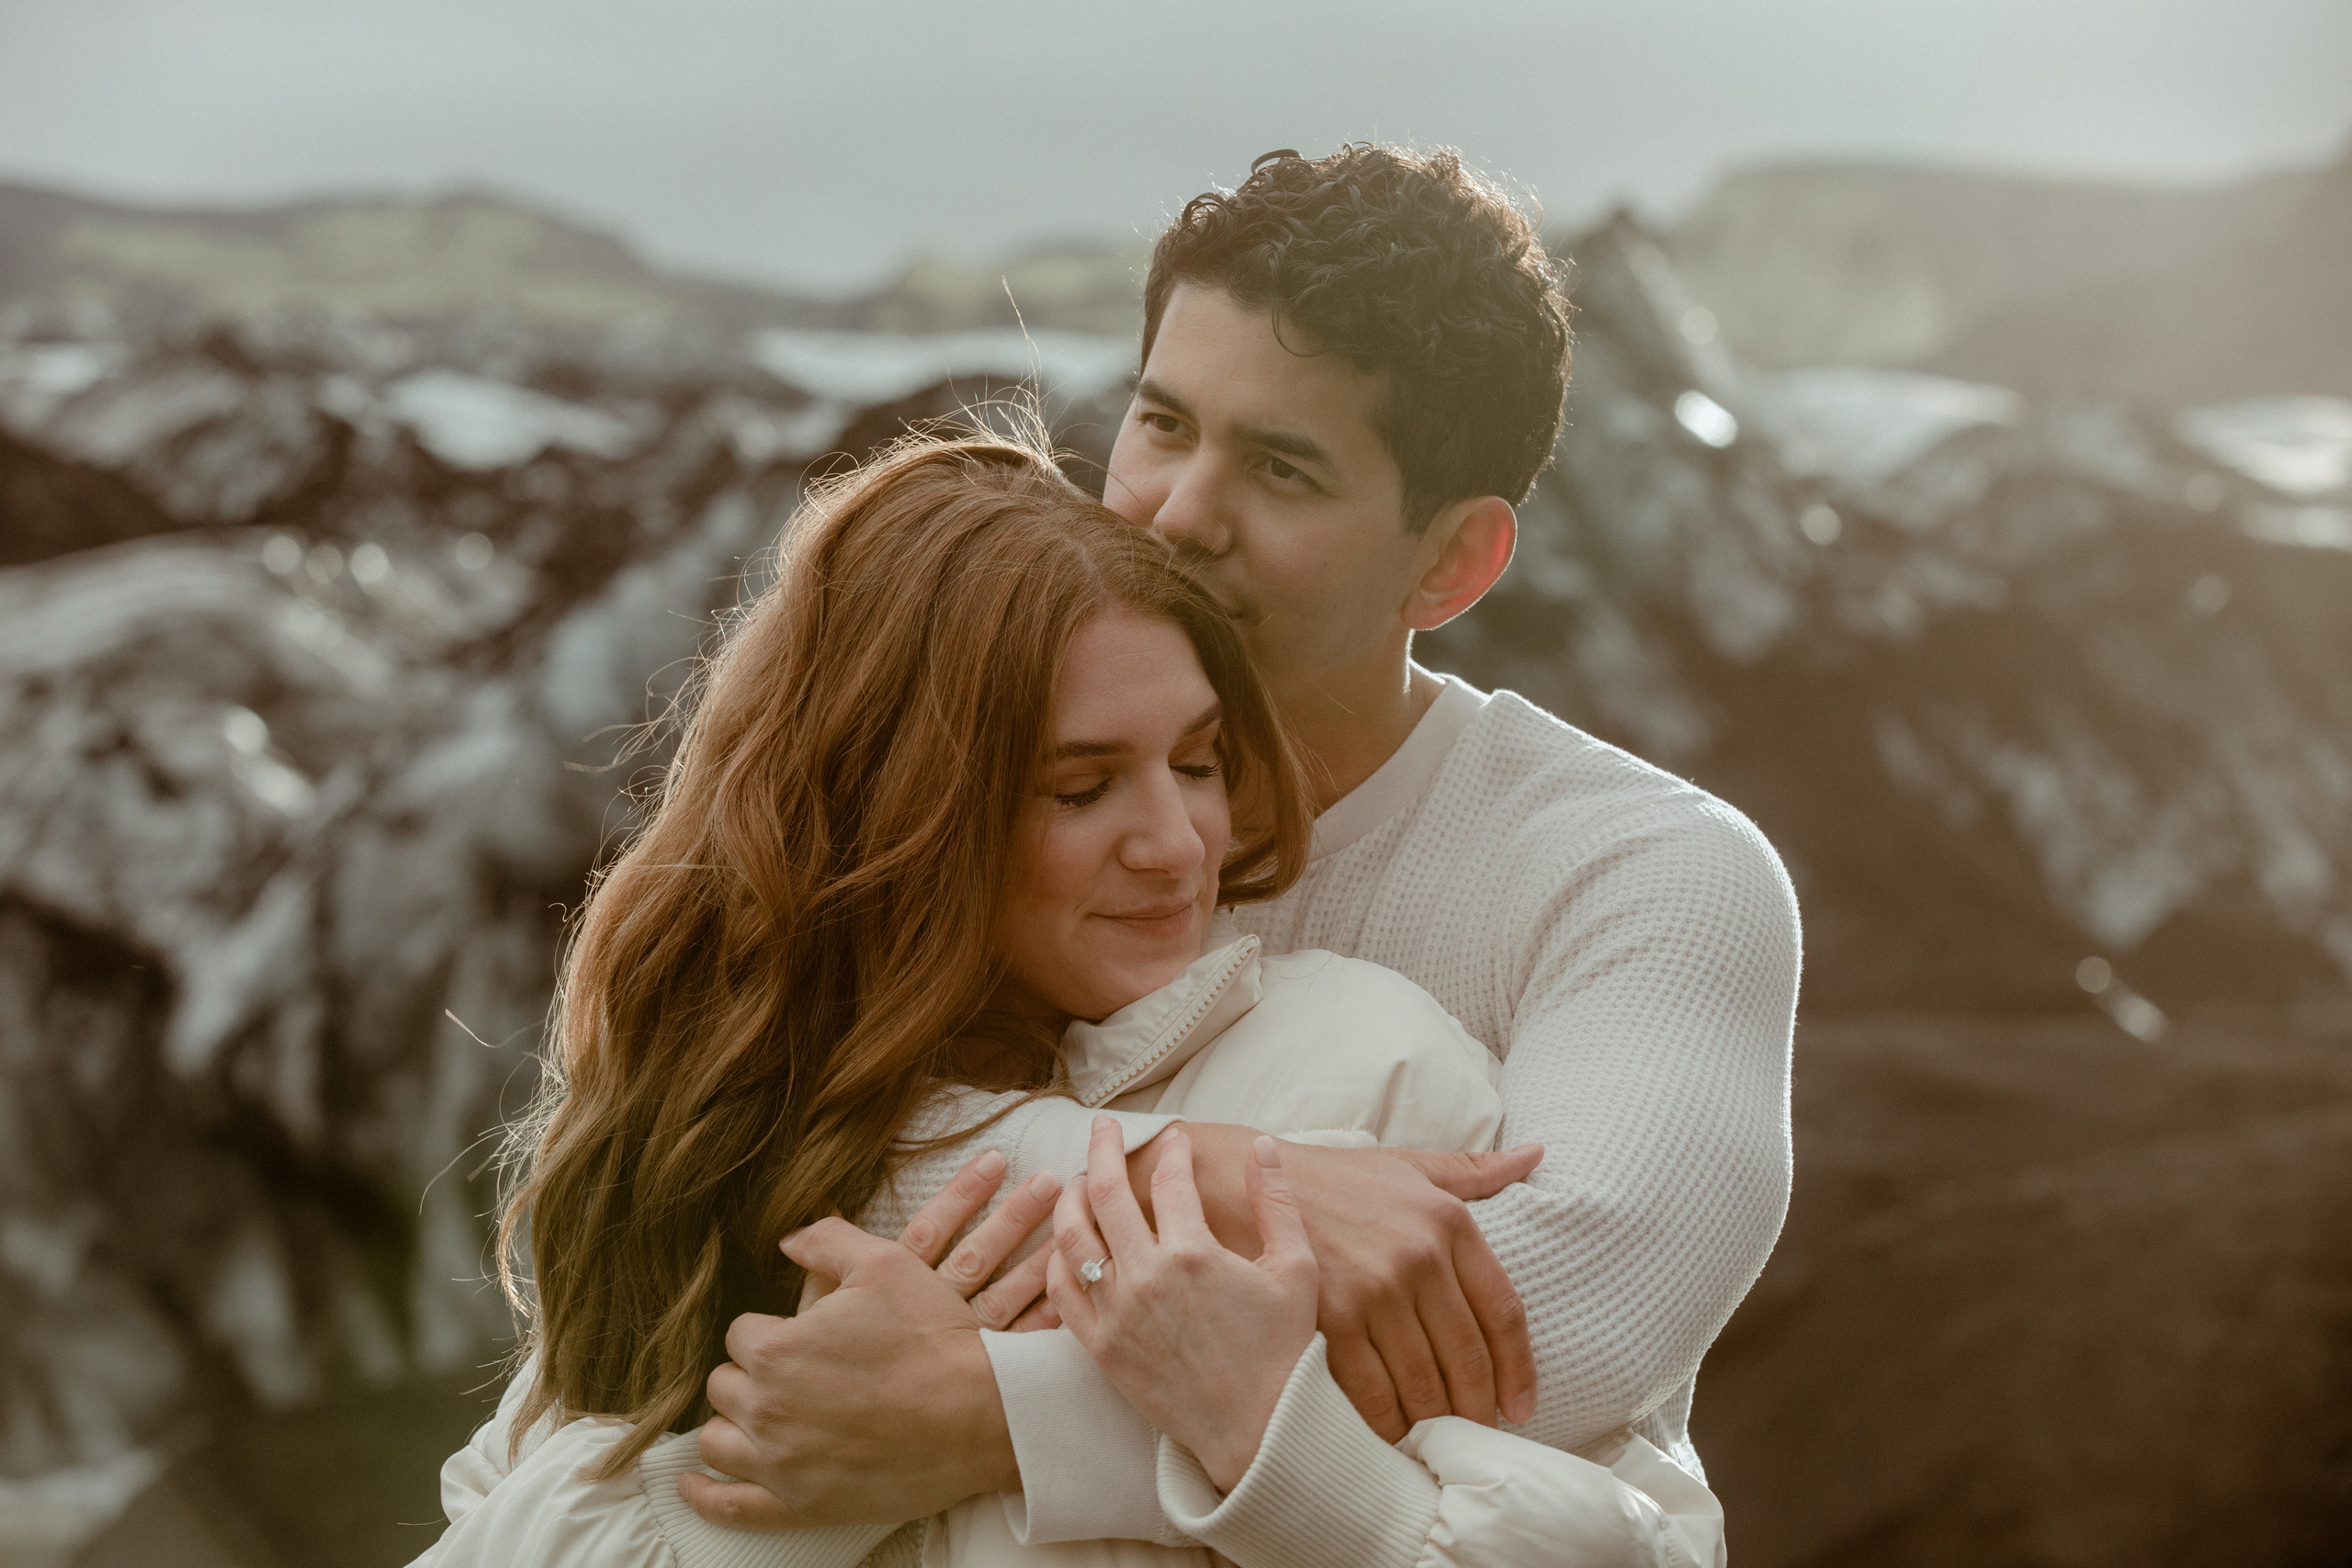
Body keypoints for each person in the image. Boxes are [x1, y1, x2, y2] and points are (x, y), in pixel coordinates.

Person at [684, 143, 1801, 1551]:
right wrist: (1221, 1179)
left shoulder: (1643, 876)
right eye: (1162, 424)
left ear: (1451, 562)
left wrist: (990, 1417)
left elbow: (1548, 1327)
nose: (1175, 511)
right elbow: (756, 1122)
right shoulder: (977, 763)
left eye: (1280, 468)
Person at [417, 433, 1724, 1567]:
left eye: (1199, 763)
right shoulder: (738, 1163)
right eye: (1081, 789)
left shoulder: (1365, 1072)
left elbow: (1643, 1543)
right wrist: (788, 1493)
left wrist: (1213, 1432)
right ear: (903, 817)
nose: (1175, 843)